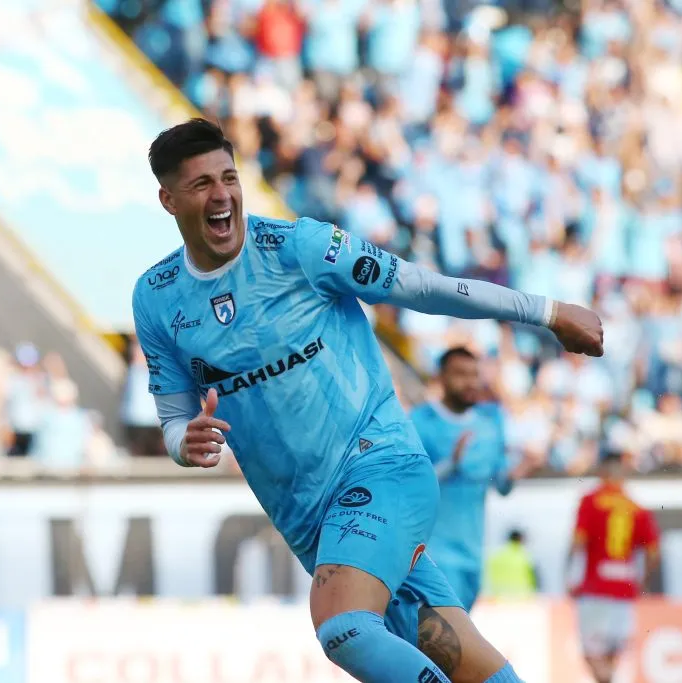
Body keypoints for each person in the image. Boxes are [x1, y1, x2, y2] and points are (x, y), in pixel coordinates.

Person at [132, 118, 603, 683]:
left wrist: (547, 313)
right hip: (307, 518)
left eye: (228, 178)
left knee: (344, 627)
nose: (222, 195)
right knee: (454, 652)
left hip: (379, 466)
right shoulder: (155, 298)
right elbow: (173, 417)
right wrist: (185, 442)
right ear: (168, 199)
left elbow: (423, 287)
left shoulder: (301, 248)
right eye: (201, 184)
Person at [410, 347, 540, 611]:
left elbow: (501, 485)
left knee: (454, 638)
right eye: (460, 374)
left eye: (474, 375)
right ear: (441, 377)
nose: (470, 382)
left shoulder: (490, 424)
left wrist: (518, 471)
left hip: (472, 554)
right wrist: (451, 465)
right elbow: (408, 485)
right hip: (432, 553)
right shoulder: (419, 421)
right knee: (439, 638)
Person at [567, 451, 660, 683]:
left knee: (591, 654)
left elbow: (579, 541)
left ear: (602, 472)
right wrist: (644, 580)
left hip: (595, 589)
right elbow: (653, 552)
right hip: (624, 589)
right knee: (611, 655)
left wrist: (571, 575)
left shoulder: (591, 500)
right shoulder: (637, 507)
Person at [483, 529, 538, 601]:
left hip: (498, 599)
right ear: (520, 539)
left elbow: (486, 576)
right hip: (521, 599)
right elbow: (534, 580)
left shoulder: (496, 556)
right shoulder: (526, 557)